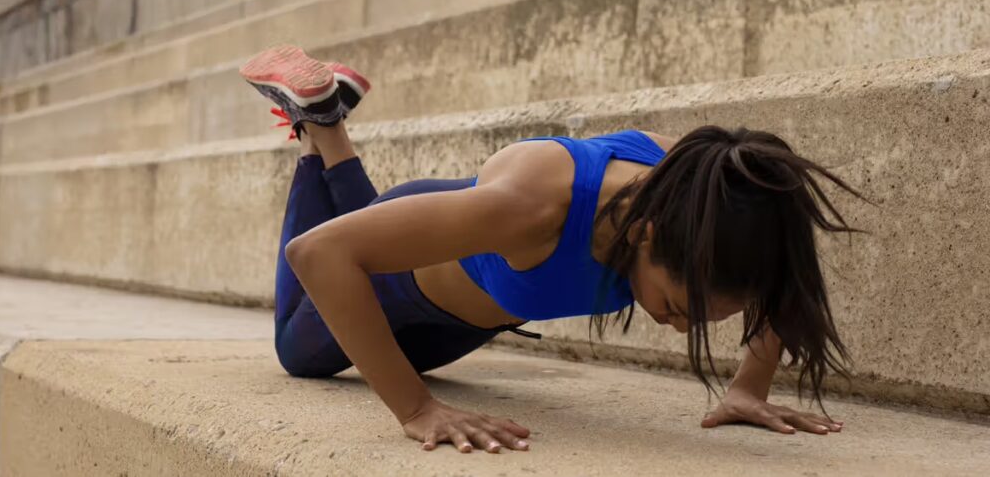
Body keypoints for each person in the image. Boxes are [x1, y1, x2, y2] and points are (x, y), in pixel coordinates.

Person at [239, 45, 865, 454]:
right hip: (405, 283)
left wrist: (749, 388)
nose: (679, 328)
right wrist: (417, 408)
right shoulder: (533, 207)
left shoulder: (703, 191)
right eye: (677, 306)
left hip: (464, 314)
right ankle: (317, 127)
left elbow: (783, 268)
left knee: (376, 279)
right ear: (645, 235)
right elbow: (318, 255)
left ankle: (326, 122)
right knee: (299, 351)